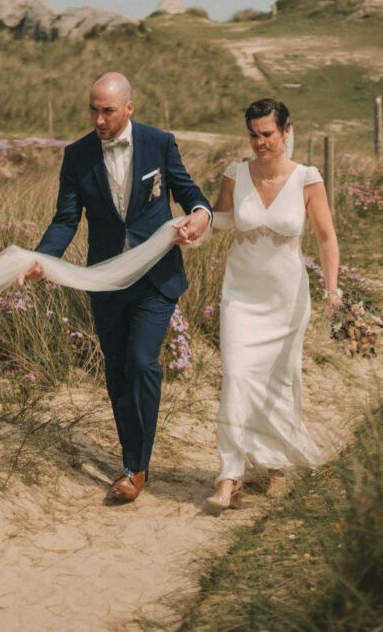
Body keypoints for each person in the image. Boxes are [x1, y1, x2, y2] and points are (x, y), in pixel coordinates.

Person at [18, 72, 211, 502]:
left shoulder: (160, 142)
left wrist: (200, 214)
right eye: (93, 109)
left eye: (107, 111)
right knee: (117, 370)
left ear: (128, 108)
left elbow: (188, 190)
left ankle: (135, 467)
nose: (99, 119)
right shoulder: (77, 155)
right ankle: (133, 458)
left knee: (143, 363)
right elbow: (67, 218)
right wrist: (42, 259)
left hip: (156, 277)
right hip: (104, 280)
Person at [204, 98, 339, 510]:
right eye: (253, 134)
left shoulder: (307, 179)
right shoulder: (235, 174)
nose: (259, 142)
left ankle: (277, 465)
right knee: (236, 376)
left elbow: (326, 237)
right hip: (240, 296)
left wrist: (332, 288)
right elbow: (221, 219)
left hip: (286, 300)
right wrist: (192, 224)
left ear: (285, 132)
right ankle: (230, 474)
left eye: (267, 134)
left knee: (281, 380)